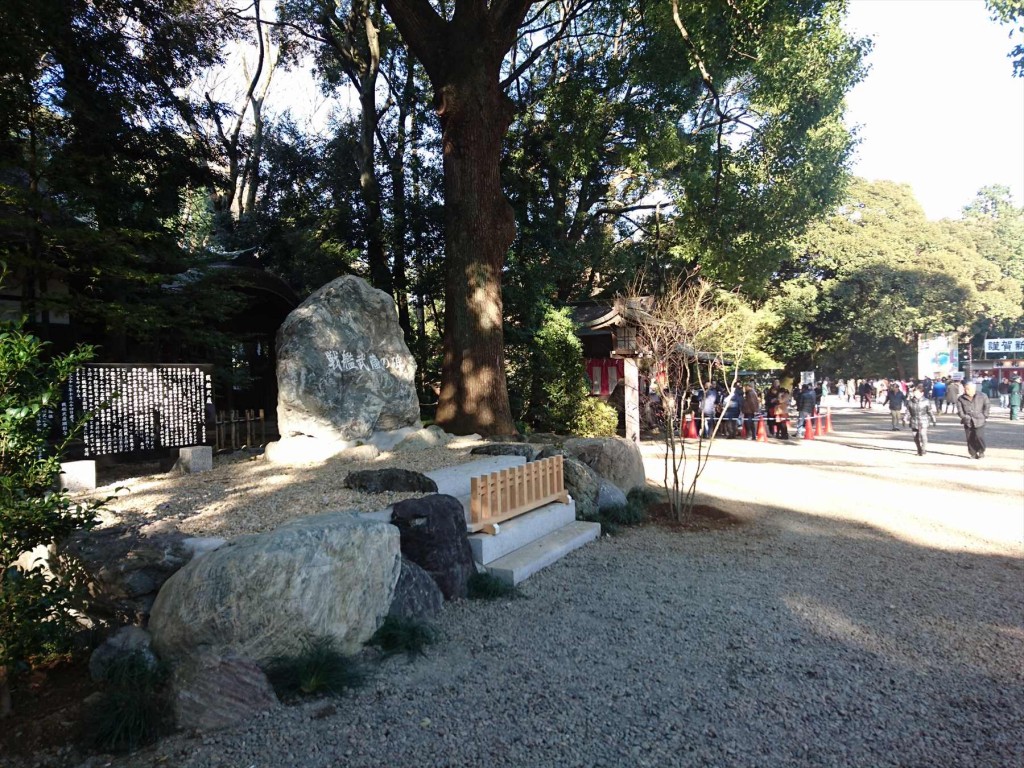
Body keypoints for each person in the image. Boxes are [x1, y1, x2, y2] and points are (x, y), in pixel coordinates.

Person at [957, 380, 990, 459]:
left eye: (967, 389)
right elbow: (959, 410)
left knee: (979, 436)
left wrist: (985, 415)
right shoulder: (960, 398)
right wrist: (964, 416)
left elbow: (987, 406)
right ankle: (973, 453)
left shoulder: (982, 396)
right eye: (965, 389)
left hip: (980, 420)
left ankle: (981, 451)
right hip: (968, 420)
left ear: (973, 389)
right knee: (970, 438)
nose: (965, 390)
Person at [905, 384, 938, 456]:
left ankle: (923, 449)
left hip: (924, 420)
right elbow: (908, 411)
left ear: (922, 393)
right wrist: (905, 418)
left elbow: (930, 411)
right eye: (914, 393)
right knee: (915, 436)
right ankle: (919, 449)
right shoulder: (910, 401)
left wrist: (933, 419)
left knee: (923, 434)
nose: (915, 394)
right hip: (914, 420)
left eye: (917, 393)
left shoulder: (926, 401)